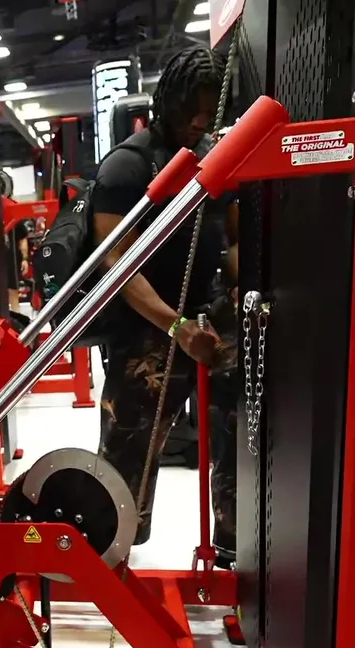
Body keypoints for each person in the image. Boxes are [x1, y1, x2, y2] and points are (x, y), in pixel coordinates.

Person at [90, 45, 236, 546]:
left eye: (210, 108)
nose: (199, 120)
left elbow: (234, 238)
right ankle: (113, 554)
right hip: (149, 330)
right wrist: (176, 326)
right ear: (169, 100)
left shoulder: (217, 159)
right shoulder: (127, 167)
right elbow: (118, 265)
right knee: (127, 457)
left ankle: (234, 546)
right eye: (192, 107)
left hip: (210, 315)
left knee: (242, 437)